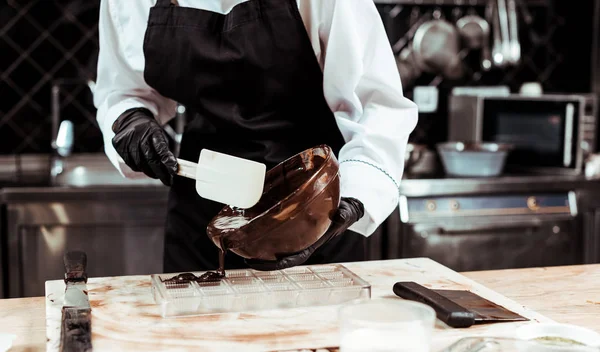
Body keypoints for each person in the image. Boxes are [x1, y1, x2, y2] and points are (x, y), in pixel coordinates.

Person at [94, 0, 418, 273]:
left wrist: (352, 198)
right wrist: (131, 118)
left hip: (312, 208)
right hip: (201, 210)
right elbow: (124, 87)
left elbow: (377, 106)